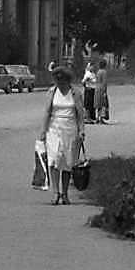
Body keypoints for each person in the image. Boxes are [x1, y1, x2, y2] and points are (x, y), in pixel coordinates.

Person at [39, 66, 85, 205]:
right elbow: (47, 112)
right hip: (54, 129)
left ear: (67, 80)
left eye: (62, 81)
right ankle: (55, 193)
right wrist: (43, 130)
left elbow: (80, 114)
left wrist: (82, 130)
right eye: (57, 81)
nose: (60, 84)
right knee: (53, 160)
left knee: (67, 162)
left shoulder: (75, 93)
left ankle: (65, 193)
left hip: (70, 129)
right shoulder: (52, 92)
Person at [94, 59, 109, 124]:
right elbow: (104, 82)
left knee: (98, 104)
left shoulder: (98, 71)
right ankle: (101, 119)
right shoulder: (104, 72)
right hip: (101, 88)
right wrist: (105, 91)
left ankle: (97, 118)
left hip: (97, 88)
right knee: (103, 103)